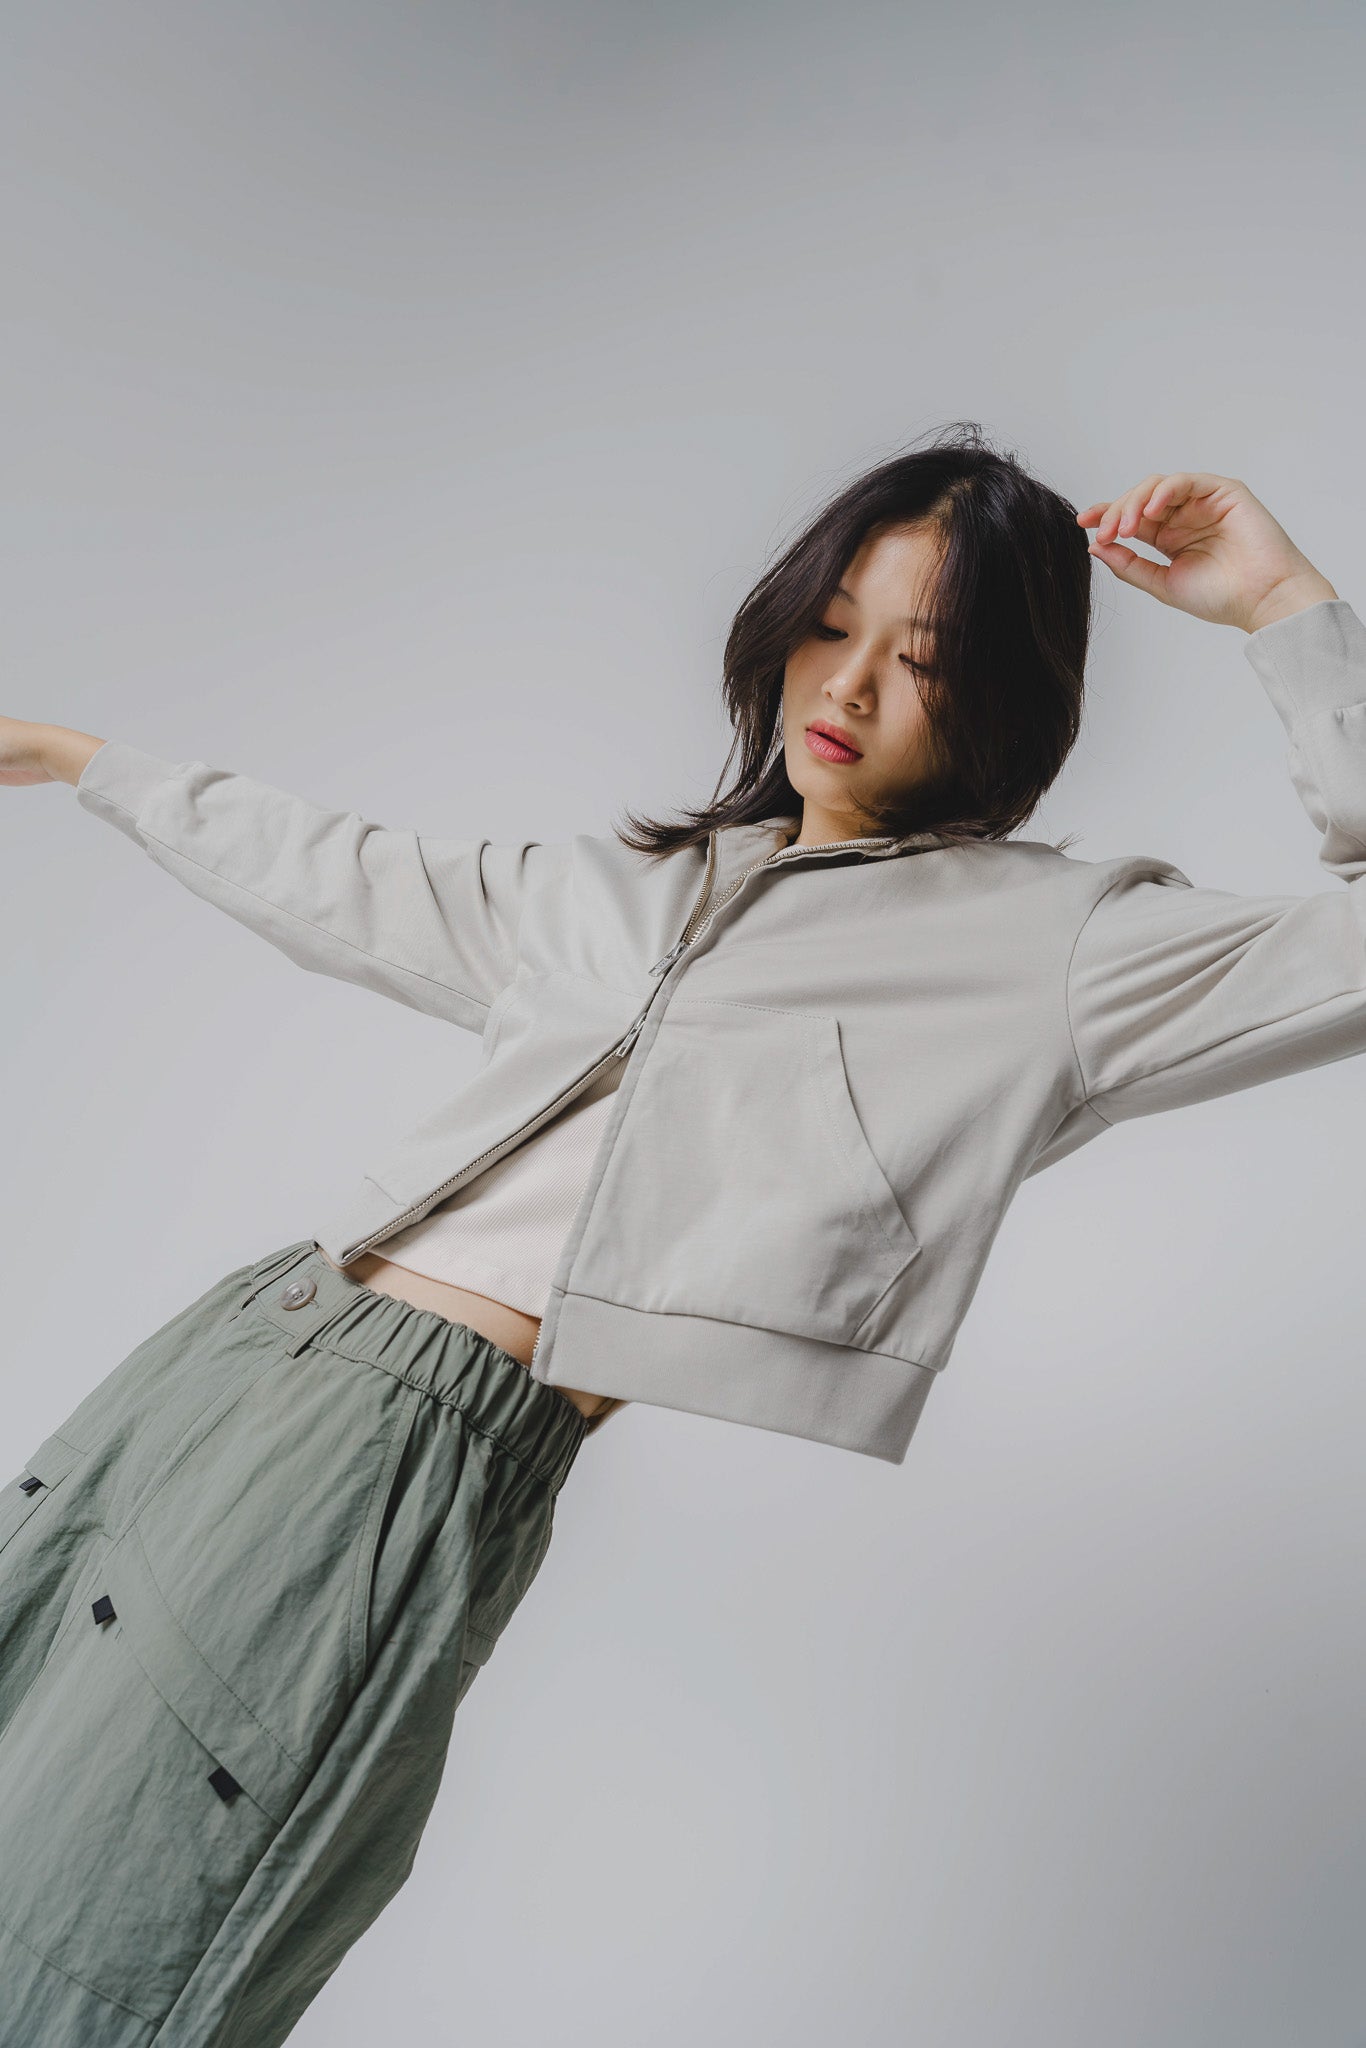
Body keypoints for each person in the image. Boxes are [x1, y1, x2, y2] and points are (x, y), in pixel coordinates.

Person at [1, 423, 1358, 2046]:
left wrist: (1280, 604)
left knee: (126, 1917)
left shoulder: (1055, 951)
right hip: (227, 1364)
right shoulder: (635, 885)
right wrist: (79, 757)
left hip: (402, 1452)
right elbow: (344, 874)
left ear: (1005, 695)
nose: (845, 686)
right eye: (829, 623)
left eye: (921, 658)